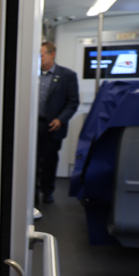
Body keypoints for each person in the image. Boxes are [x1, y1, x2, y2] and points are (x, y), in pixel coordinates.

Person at [36, 41, 79, 205]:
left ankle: (48, 191)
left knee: (49, 160)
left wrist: (61, 119)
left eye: (42, 55)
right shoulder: (32, 74)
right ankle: (33, 192)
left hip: (53, 126)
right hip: (34, 125)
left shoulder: (67, 75)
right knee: (32, 160)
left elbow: (73, 102)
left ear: (52, 54)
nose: (39, 59)